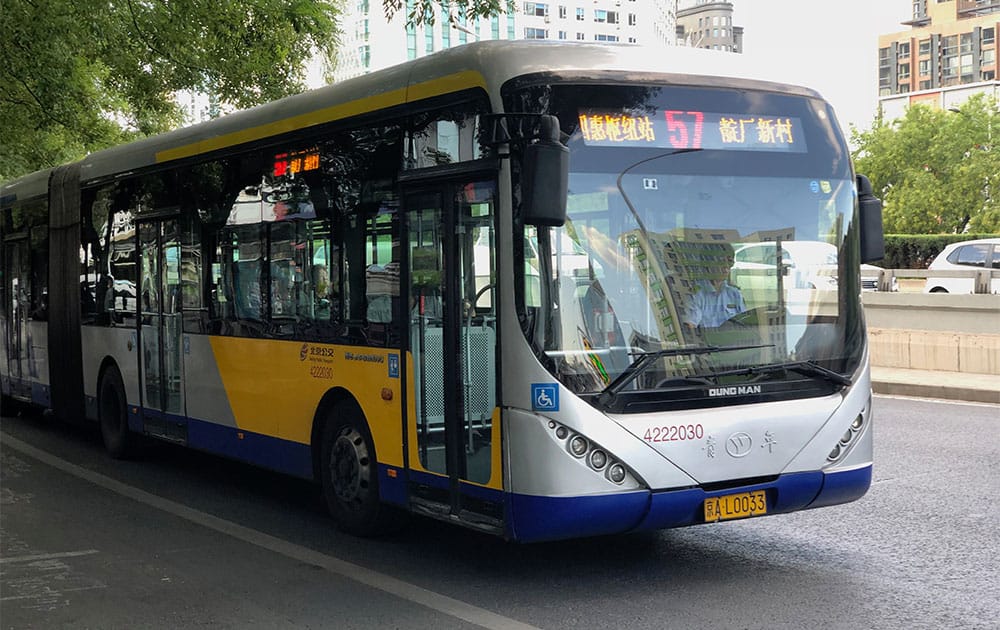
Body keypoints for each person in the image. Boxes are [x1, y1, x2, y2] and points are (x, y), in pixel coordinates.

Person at [683, 243, 746, 329]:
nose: (726, 266)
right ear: (708, 263)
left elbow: (745, 325)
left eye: (730, 262)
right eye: (721, 261)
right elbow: (691, 327)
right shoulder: (696, 294)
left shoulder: (735, 294)